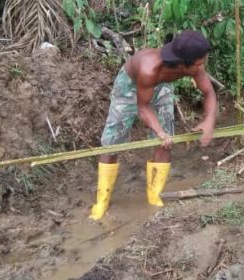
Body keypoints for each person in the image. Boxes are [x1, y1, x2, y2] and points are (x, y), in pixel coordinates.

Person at [90, 31, 217, 220]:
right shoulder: (150, 67)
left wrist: (209, 120)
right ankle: (102, 201)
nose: (202, 67)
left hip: (160, 86)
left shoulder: (193, 65)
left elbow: (209, 93)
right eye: (199, 63)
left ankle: (154, 196)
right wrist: (158, 131)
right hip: (130, 86)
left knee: (167, 141)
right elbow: (143, 107)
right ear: (183, 63)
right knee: (112, 142)